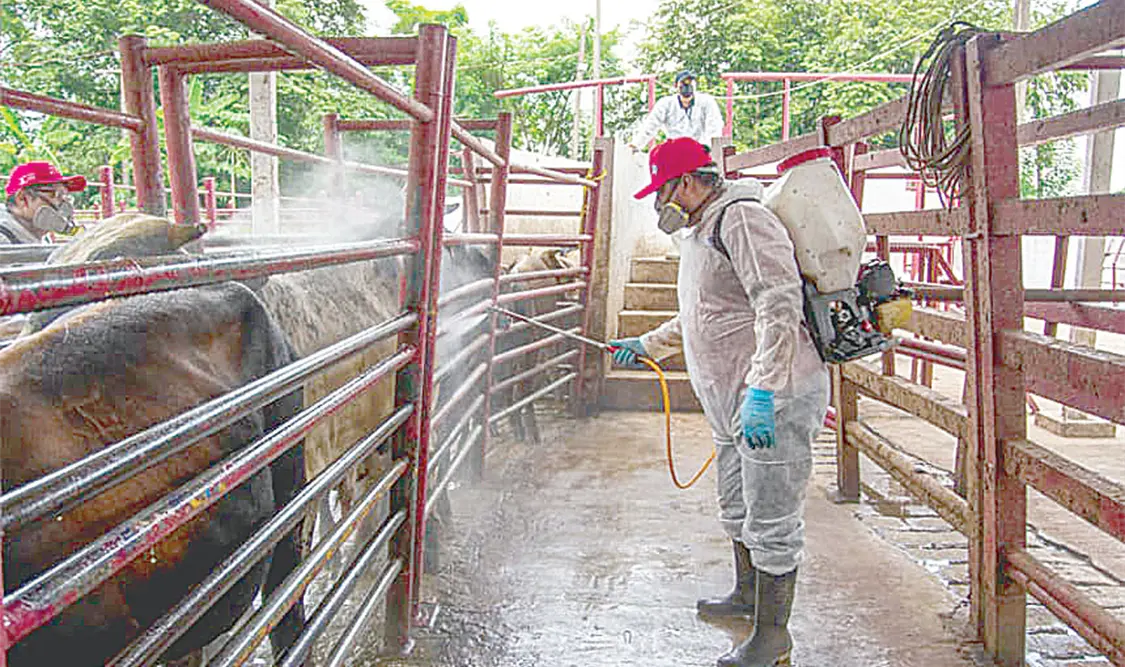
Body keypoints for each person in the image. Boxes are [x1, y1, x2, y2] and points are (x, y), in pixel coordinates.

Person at [610, 137, 829, 667]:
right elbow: (701, 311)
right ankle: (747, 596)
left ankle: (773, 639)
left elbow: (779, 303)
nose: (661, 204)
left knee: (773, 516)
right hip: (731, 398)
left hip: (773, 396)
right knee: (737, 504)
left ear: (687, 182)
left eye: (663, 191)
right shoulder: (703, 231)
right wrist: (650, 344)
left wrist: (763, 388)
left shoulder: (742, 221)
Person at [628, 70, 725, 152]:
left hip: (699, 149)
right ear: (676, 86)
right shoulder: (666, 103)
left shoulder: (707, 102)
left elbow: (714, 127)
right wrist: (636, 145)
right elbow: (650, 126)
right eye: (683, 83)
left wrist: (709, 148)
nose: (687, 85)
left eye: (690, 82)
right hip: (674, 150)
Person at [2, 161, 84, 244]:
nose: (64, 203)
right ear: (22, 198)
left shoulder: (41, 239)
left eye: (65, 196)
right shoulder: (4, 241)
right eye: (56, 195)